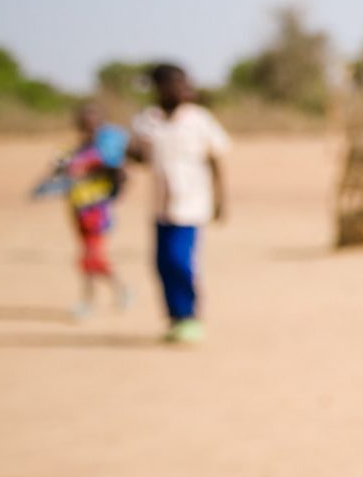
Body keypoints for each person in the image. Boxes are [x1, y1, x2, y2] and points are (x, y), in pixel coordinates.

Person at [128, 64, 230, 344]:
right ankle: (174, 316)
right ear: (159, 87)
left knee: (179, 260)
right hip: (160, 205)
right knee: (161, 264)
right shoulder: (147, 121)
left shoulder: (199, 120)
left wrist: (221, 199)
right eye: (175, 84)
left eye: (184, 84)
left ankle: (189, 315)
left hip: (192, 203)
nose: (182, 90)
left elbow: (215, 158)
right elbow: (137, 156)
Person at [31, 102, 132, 319]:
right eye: (86, 121)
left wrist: (110, 172)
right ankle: (119, 290)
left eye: (94, 121)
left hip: (97, 210)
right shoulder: (72, 151)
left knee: (89, 256)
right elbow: (55, 176)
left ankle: (89, 301)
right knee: (90, 255)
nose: (90, 126)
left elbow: (120, 175)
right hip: (78, 209)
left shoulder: (106, 151)